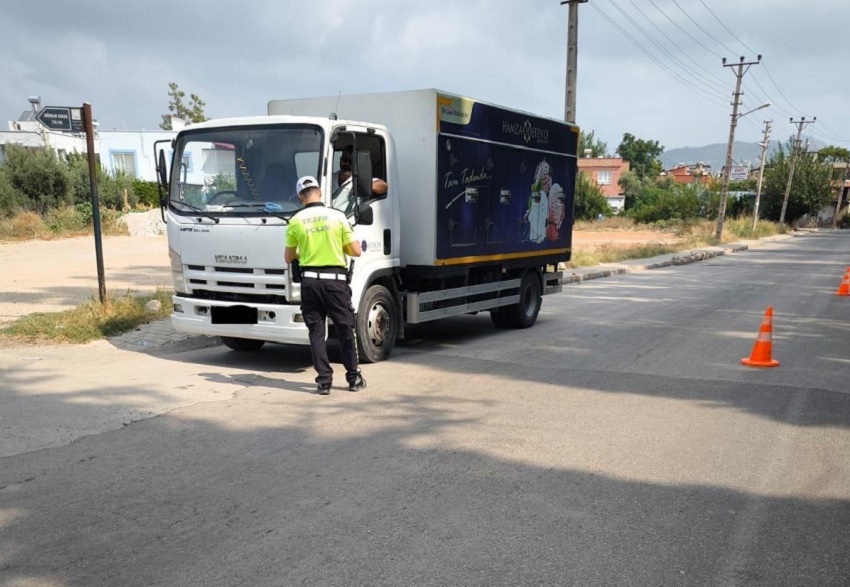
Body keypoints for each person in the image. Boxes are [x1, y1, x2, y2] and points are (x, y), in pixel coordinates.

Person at [284, 175, 366, 395]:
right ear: (319, 192)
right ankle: (353, 378)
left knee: (316, 333)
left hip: (310, 284)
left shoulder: (295, 221)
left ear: (301, 197)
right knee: (345, 329)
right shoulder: (338, 217)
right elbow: (355, 251)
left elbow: (289, 256)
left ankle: (323, 382)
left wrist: (306, 251)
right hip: (336, 283)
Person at [331, 147, 388, 214]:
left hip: (349, 219)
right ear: (340, 159)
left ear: (356, 163)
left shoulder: (360, 179)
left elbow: (384, 186)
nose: (346, 163)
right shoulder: (329, 178)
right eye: (344, 159)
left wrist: (363, 185)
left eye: (350, 161)